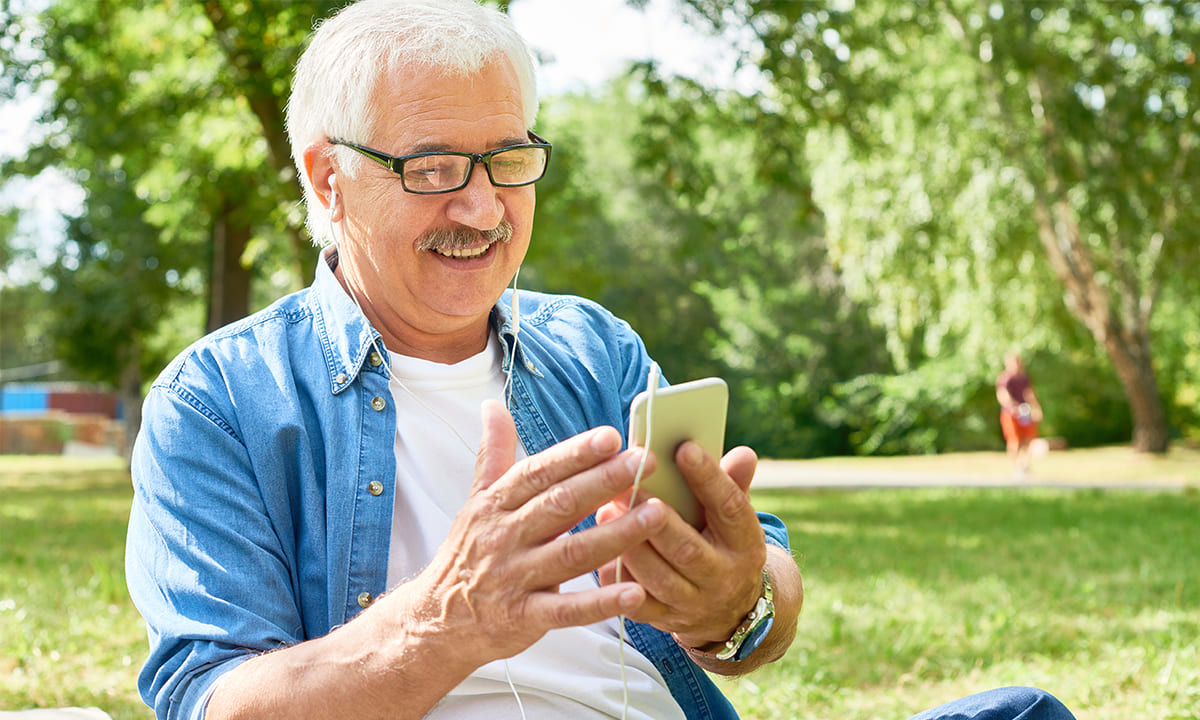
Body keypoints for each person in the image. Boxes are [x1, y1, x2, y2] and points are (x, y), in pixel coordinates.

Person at [124, 2, 1077, 719]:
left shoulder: (590, 344)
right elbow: (214, 702)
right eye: (434, 168)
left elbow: (765, 598)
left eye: (508, 159)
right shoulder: (219, 402)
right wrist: (447, 622)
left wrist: (737, 598)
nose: (483, 208)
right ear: (329, 178)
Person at [996, 353, 1044, 478]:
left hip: (1024, 412)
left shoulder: (1024, 377)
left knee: (1028, 439)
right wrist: (1013, 407)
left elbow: (1029, 393)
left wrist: (1036, 408)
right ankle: (1016, 467)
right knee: (1014, 441)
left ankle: (1023, 465)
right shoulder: (1005, 378)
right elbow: (1002, 395)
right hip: (1010, 414)